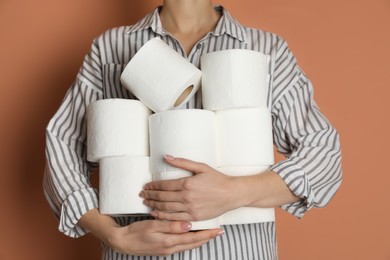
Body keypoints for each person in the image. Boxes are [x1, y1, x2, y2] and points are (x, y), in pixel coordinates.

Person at [43, 0, 342, 259]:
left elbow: (324, 152)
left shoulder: (266, 50)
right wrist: (112, 234)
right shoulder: (112, 47)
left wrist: (236, 192)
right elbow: (63, 141)